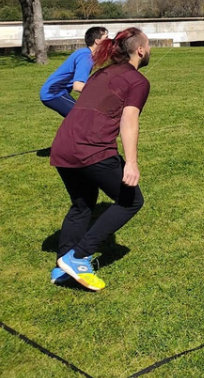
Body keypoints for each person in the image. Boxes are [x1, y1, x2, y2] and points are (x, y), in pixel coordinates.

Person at [50, 28, 151, 291]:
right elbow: (129, 119)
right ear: (140, 50)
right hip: (91, 149)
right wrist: (131, 161)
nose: (149, 49)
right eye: (148, 44)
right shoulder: (138, 81)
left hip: (62, 146)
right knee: (131, 200)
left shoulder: (101, 73)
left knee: (82, 204)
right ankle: (78, 256)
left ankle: (61, 268)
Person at [40, 26, 109, 117]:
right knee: (82, 118)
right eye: (106, 38)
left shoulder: (84, 53)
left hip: (57, 92)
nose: (109, 41)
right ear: (97, 41)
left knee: (79, 120)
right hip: (54, 93)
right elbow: (78, 86)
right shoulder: (86, 57)